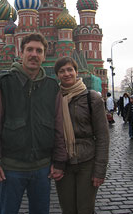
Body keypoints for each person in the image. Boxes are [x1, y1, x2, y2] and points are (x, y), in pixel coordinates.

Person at [0, 33, 67, 214]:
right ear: (21, 52)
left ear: (45, 55)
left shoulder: (52, 87)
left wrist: (59, 161)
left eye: (39, 51)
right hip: (11, 168)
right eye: (29, 49)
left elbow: (59, 127)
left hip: (43, 168)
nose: (34, 54)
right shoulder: (2, 83)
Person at [54, 56, 109, 214]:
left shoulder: (92, 98)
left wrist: (99, 171)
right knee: (68, 209)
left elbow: (103, 137)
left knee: (85, 209)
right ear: (57, 75)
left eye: (70, 69)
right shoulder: (55, 99)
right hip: (63, 163)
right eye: (62, 71)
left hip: (87, 162)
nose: (66, 74)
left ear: (76, 72)